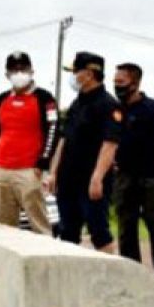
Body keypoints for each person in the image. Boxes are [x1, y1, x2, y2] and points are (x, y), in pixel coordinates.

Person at [48, 51, 120, 253]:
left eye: (76, 71)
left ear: (89, 74)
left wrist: (98, 177)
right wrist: (54, 172)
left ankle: (109, 277)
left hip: (90, 181)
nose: (73, 76)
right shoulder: (76, 104)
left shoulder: (108, 105)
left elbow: (110, 144)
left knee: (99, 232)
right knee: (67, 231)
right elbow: (64, 139)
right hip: (68, 179)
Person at [113, 62, 154, 280]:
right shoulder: (114, 109)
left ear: (135, 82)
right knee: (126, 228)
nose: (117, 86)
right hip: (124, 177)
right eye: (115, 82)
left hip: (152, 177)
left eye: (121, 82)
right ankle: (133, 277)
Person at [0, 51, 59, 235]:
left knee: (39, 224)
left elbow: (53, 130)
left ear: (31, 71)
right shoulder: (1, 99)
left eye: (23, 69)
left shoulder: (44, 98)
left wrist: (43, 161)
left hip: (29, 170)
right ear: (7, 74)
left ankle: (45, 261)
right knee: (3, 228)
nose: (19, 73)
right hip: (1, 169)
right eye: (14, 69)